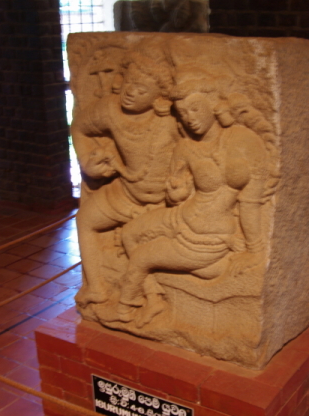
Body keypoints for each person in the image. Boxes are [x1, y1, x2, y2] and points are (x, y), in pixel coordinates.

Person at [115, 68, 279, 325]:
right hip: (183, 216)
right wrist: (176, 191)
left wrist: (254, 250)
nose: (189, 119)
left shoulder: (243, 140)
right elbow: (177, 196)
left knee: (140, 257)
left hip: (208, 234)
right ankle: (154, 296)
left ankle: (124, 310)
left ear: (213, 106)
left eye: (195, 109)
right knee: (128, 233)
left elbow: (250, 203)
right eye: (183, 113)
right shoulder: (186, 146)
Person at [71, 48, 178, 308]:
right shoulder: (110, 109)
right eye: (129, 83)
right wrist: (86, 162)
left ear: (159, 97)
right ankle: (96, 288)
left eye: (142, 90)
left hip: (165, 202)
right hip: (127, 192)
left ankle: (153, 296)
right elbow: (79, 127)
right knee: (85, 220)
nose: (131, 92)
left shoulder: (170, 119)